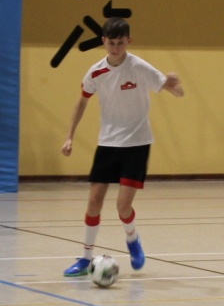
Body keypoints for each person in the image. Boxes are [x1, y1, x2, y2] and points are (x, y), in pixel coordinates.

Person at [59, 19, 184, 276]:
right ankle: (85, 259)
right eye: (111, 43)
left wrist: (174, 86)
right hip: (108, 143)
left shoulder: (139, 67)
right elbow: (82, 102)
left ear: (129, 41)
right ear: (103, 41)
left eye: (121, 43)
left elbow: (177, 92)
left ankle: (132, 240)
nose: (116, 48)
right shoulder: (95, 72)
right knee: (94, 202)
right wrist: (69, 136)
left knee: (123, 207)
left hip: (137, 143)